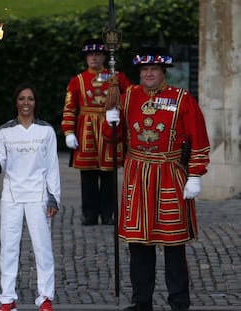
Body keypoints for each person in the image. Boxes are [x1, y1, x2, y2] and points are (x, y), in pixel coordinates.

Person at [105, 46, 211, 311]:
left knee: (174, 244)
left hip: (169, 175)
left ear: (163, 72)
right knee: (139, 245)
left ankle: (179, 302)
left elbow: (199, 138)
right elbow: (114, 140)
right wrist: (111, 121)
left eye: (153, 69)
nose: (148, 74)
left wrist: (195, 174)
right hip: (137, 177)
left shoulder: (182, 99)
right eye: (144, 70)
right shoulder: (128, 96)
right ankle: (141, 302)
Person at [0, 82, 60, 311]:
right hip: (12, 196)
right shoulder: (5, 131)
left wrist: (54, 197)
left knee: (42, 248)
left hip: (38, 196)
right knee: (9, 247)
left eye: (30, 99)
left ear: (36, 103)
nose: (26, 103)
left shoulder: (46, 131)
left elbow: (52, 167)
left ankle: (45, 298)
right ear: (16, 102)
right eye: (22, 99)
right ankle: (7, 299)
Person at [61, 38, 131, 226]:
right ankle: (89, 213)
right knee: (88, 175)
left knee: (109, 175)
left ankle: (109, 213)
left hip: (110, 126)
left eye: (98, 54)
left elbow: (130, 98)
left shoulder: (116, 77)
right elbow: (69, 108)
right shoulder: (78, 80)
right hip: (87, 130)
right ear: (86, 58)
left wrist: (120, 112)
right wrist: (68, 132)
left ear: (104, 57)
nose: (94, 58)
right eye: (90, 55)